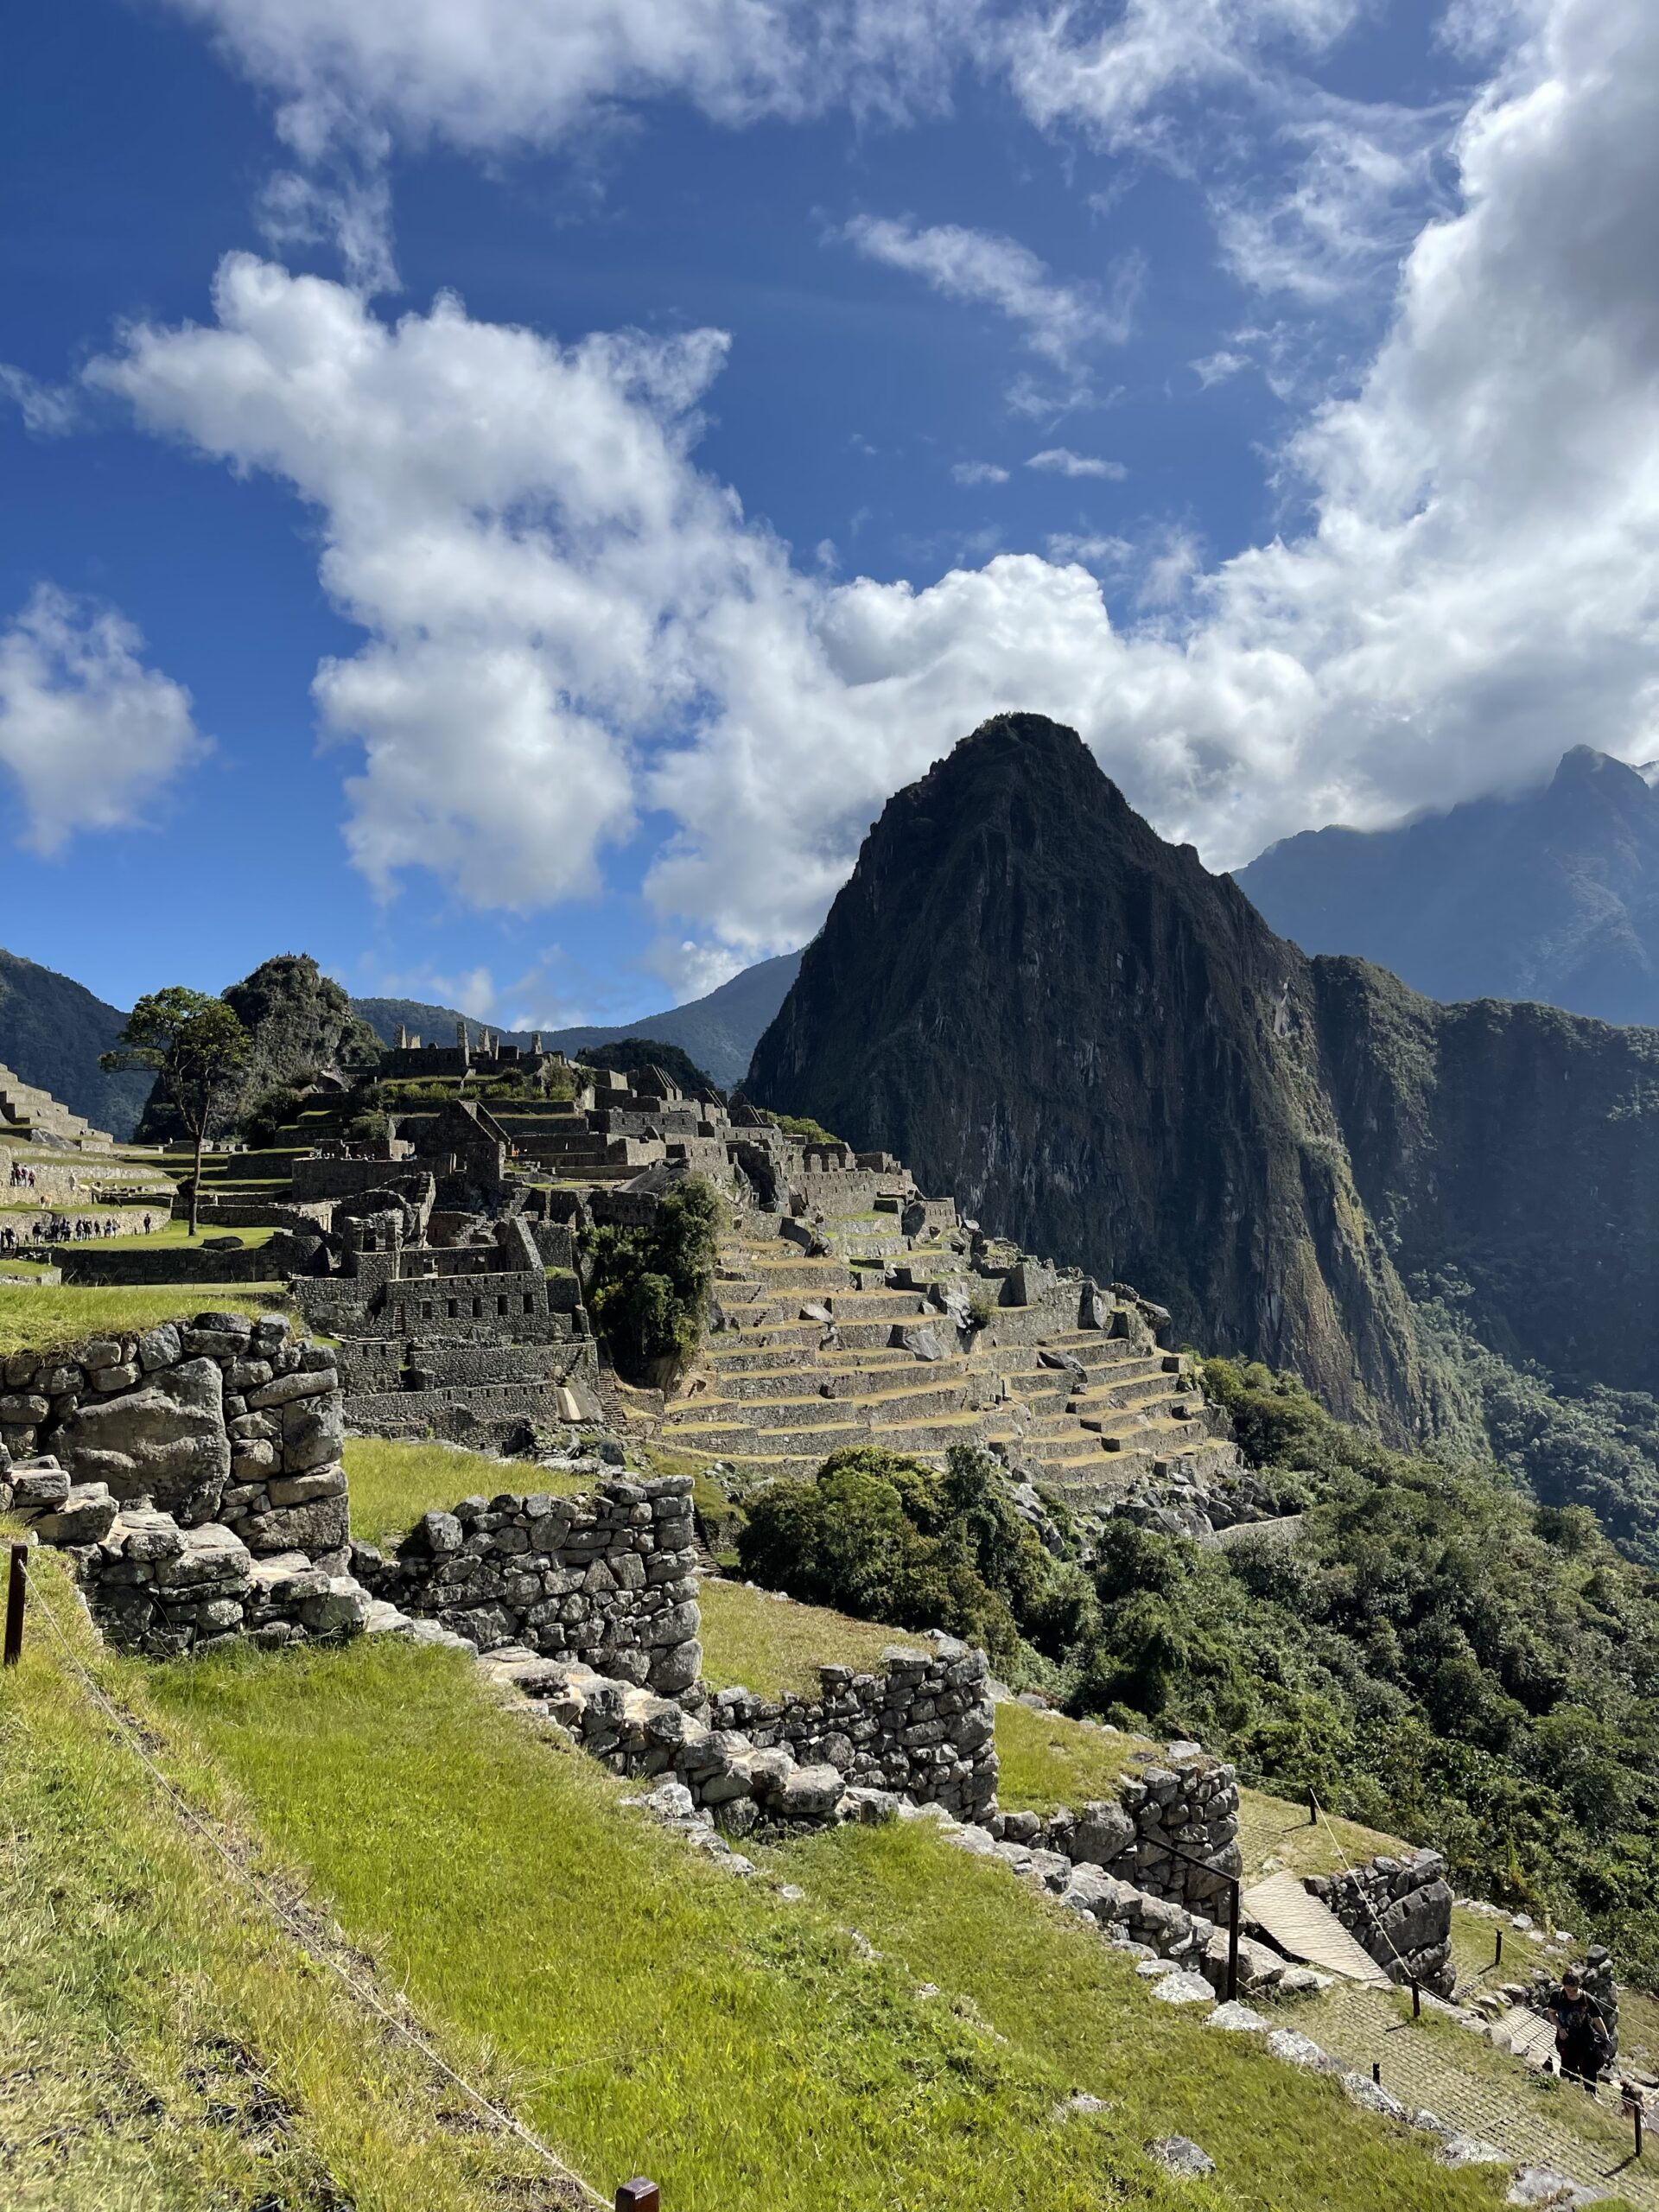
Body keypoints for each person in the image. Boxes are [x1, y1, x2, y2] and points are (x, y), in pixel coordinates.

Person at [1549, 1971, 1611, 2087]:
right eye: (1568, 1989)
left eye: (1574, 1989)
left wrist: (1606, 2037)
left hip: (1584, 2037)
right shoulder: (1557, 1996)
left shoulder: (1586, 1999)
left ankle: (1590, 2092)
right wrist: (1560, 2028)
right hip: (1566, 2037)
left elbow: (1597, 2019)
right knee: (1568, 2063)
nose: (1571, 1993)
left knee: (1589, 2066)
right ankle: (1573, 2087)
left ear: (1578, 1986)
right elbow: (1552, 2013)